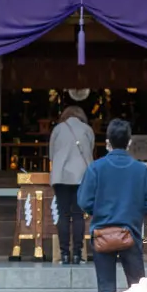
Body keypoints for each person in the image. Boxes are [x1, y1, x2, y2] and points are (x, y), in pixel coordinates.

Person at [79, 119, 147, 292]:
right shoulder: (141, 170)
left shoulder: (95, 168)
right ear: (129, 142)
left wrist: (98, 210)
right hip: (131, 233)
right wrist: (133, 210)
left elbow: (84, 201)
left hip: (102, 234)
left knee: (106, 289)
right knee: (137, 289)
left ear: (107, 143)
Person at [50, 106, 95, 265]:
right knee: (78, 215)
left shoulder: (58, 129)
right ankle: (77, 254)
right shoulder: (87, 130)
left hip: (60, 176)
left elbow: (51, 154)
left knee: (63, 215)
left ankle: (63, 254)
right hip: (81, 177)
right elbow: (90, 150)